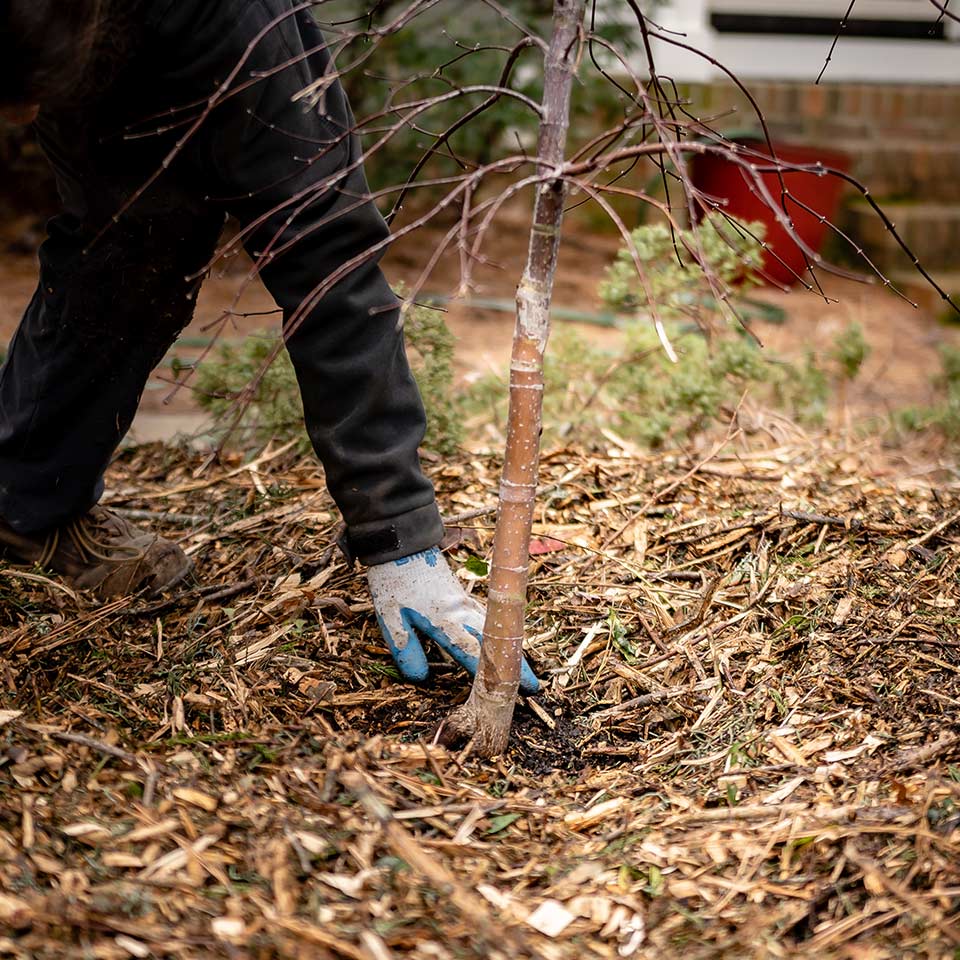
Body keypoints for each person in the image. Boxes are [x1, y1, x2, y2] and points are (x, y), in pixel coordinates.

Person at [0, 0, 538, 693]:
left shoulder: (239, 28)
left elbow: (328, 262)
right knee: (118, 251)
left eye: (28, 98)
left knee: (142, 251)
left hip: (191, 44)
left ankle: (27, 494)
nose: (17, 126)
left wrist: (397, 534)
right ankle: (24, 496)